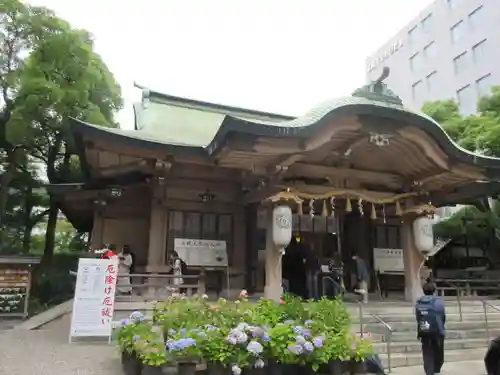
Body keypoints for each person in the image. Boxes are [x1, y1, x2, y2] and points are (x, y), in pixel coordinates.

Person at [415, 281, 446, 375]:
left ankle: (429, 371)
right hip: (437, 331)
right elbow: (442, 317)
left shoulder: (419, 303)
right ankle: (436, 368)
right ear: (434, 290)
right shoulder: (439, 302)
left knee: (427, 352)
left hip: (424, 330)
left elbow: (418, 318)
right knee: (438, 351)